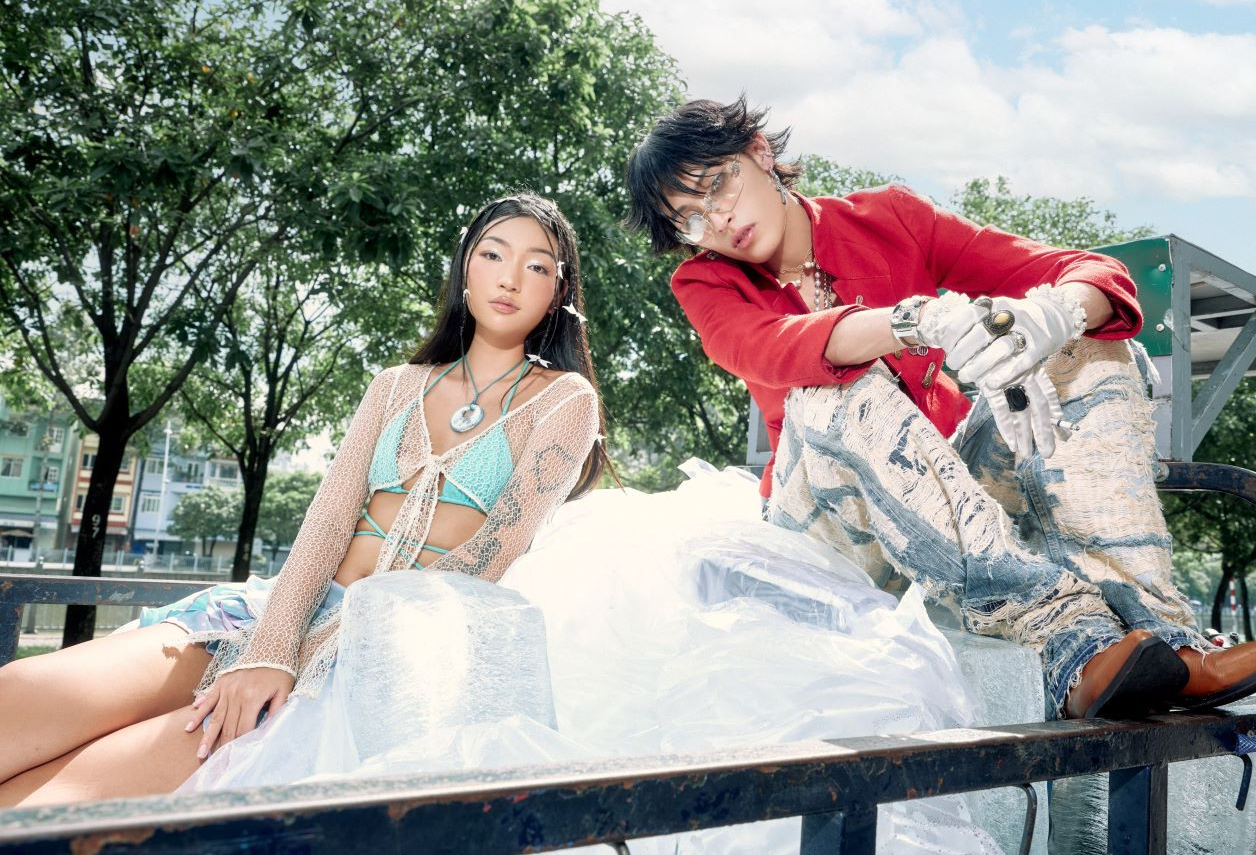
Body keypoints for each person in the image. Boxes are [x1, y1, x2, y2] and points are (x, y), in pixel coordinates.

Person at [623, 95, 1256, 721]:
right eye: (689, 218)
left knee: (1088, 347)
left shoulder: (890, 217)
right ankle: (1073, 642)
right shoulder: (704, 282)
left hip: (948, 502)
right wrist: (918, 320)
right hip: (830, 534)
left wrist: (1045, 319)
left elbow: (1092, 270)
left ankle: (1168, 640)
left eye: (718, 184)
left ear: (759, 152)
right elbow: (771, 348)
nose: (717, 221)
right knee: (832, 385)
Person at [0, 193, 608, 807]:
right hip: (278, 610)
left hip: (378, 650)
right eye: (492, 254)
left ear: (558, 290)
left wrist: (306, 658)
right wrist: (272, 646)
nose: (510, 278)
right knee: (18, 699)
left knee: (58, 797)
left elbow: (491, 556)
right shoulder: (395, 386)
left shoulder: (565, 400)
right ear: (465, 269)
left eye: (536, 265)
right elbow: (329, 519)